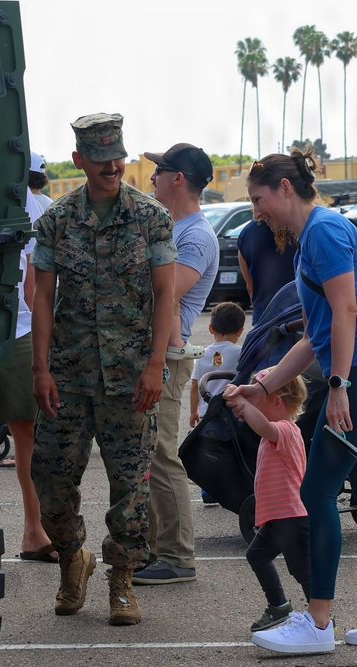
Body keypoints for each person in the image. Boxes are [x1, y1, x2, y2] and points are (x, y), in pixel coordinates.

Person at [224, 147, 357, 654]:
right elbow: (316, 335)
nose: (256, 211)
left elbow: (343, 311)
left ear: (284, 188)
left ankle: (317, 624)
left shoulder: (324, 231)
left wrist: (338, 386)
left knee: (315, 494)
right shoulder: (319, 232)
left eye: (258, 199)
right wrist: (264, 386)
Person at [29, 113, 176, 626]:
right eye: (101, 159)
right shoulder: (56, 220)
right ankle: (74, 559)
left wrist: (156, 363)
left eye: (118, 156)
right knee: (49, 476)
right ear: (79, 162)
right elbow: (42, 296)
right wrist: (40, 369)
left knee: (131, 487)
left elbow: (165, 294)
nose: (113, 167)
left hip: (131, 374)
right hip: (67, 373)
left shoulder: (151, 217)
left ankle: (122, 580)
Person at [132, 143, 218, 586]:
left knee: (164, 455)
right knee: (148, 455)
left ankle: (179, 556)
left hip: (166, 357)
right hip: (155, 353)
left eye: (160, 170)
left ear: (178, 179)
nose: (152, 178)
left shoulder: (196, 236)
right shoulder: (172, 228)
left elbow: (163, 292)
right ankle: (155, 548)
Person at [0, 152, 57, 564]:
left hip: (19, 328)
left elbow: (33, 276)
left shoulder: (30, 201)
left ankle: (34, 530)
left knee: (28, 432)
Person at [229, 366, 312, 633]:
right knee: (257, 555)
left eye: (256, 399)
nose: (250, 406)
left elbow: (262, 426)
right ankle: (278, 606)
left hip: (291, 516)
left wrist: (240, 400)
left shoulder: (286, 430)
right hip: (279, 517)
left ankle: (319, 614)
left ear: (277, 402)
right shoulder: (276, 431)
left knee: (302, 570)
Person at [189, 301, 246, 428]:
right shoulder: (241, 353)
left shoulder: (202, 354)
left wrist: (194, 412)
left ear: (211, 328)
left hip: (207, 412)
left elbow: (194, 385)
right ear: (240, 331)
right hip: (234, 412)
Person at [237, 219, 297, 328]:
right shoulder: (302, 227)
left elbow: (250, 288)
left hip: (264, 319)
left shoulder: (247, 232)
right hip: (300, 318)